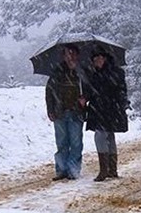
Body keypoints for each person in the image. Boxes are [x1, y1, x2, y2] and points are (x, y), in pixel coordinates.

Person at [85, 45, 128, 182]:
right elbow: (91, 92)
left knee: (103, 136)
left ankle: (106, 170)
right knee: (107, 136)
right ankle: (110, 169)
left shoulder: (113, 73)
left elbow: (120, 90)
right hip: (100, 110)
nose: (97, 60)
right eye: (95, 58)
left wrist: (120, 104)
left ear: (105, 58)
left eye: (100, 57)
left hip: (109, 109)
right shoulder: (94, 74)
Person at [45, 43, 86, 181]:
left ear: (78, 56)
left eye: (73, 53)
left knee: (76, 143)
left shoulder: (82, 73)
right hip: (59, 113)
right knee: (61, 143)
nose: (71, 56)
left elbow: (90, 88)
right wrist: (50, 109)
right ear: (63, 56)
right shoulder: (56, 72)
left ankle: (73, 170)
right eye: (68, 53)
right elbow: (49, 92)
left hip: (76, 113)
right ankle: (61, 170)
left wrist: (84, 99)